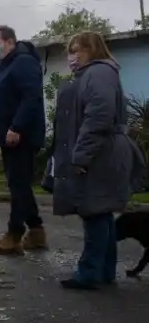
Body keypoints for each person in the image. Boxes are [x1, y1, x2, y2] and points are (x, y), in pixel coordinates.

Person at [53, 32, 145, 290]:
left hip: (100, 153)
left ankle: (89, 273)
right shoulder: (100, 73)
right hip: (104, 151)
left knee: (93, 211)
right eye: (70, 52)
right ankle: (103, 271)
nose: (72, 57)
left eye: (76, 51)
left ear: (91, 50)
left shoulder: (98, 74)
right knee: (100, 212)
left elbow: (98, 118)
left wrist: (81, 155)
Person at [0, 25, 47, 255]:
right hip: (8, 135)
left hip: (21, 136)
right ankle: (36, 232)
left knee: (18, 186)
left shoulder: (23, 63)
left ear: (10, 42)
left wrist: (16, 127)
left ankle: (14, 235)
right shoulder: (3, 67)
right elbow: (5, 101)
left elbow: (31, 98)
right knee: (19, 185)